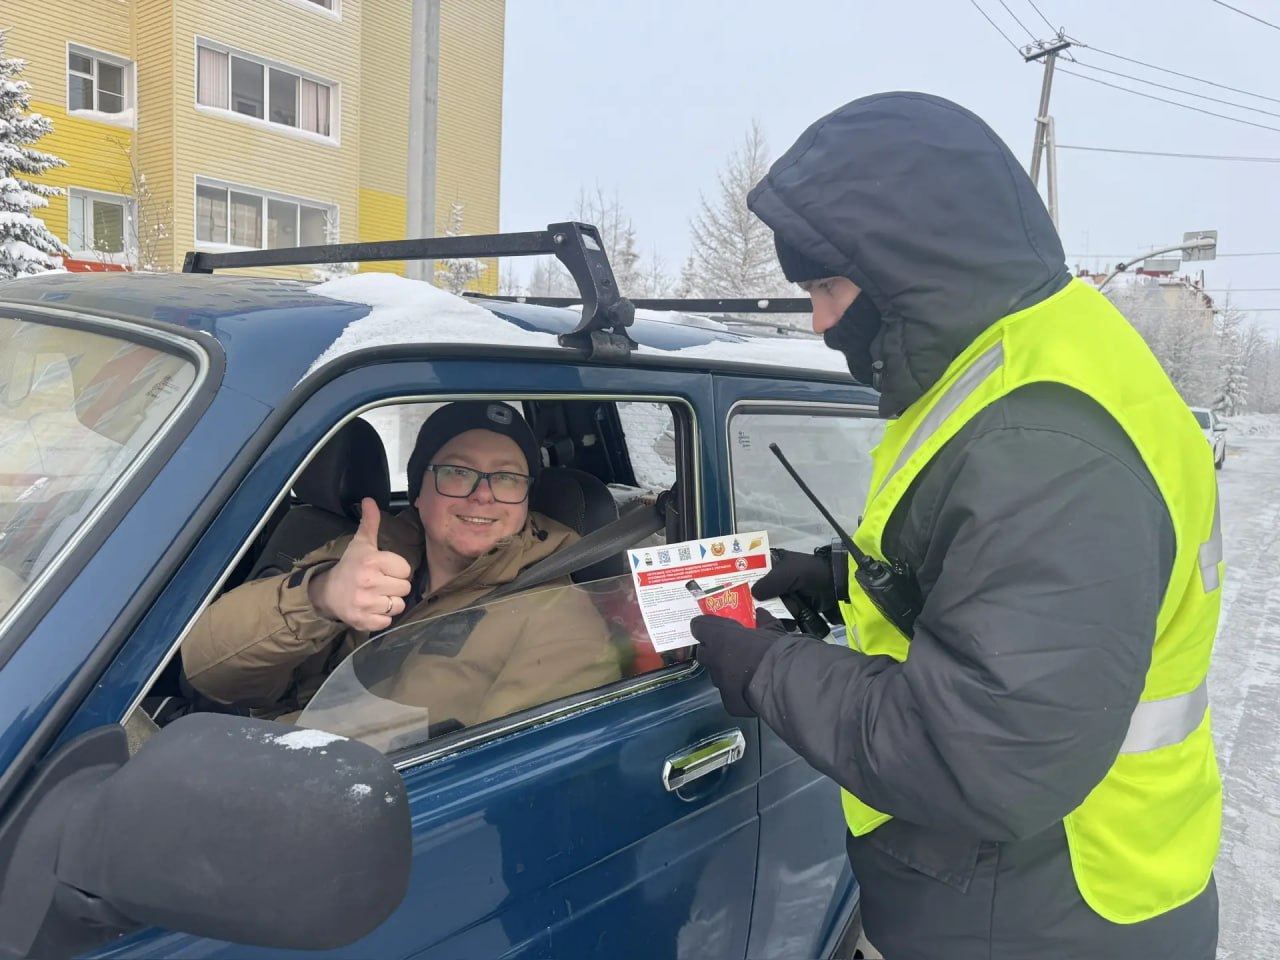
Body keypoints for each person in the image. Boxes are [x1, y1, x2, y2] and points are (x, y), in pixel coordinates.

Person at [690, 92, 1223, 960]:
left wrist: (768, 668)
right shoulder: (1029, 368)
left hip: (1054, 913)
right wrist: (836, 577)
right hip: (1051, 895)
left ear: (909, 261)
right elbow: (996, 584)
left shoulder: (1043, 439)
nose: (822, 322)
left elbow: (979, 752)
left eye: (827, 285)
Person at [182, 401, 621, 727]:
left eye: (507, 477)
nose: (482, 494)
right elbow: (207, 669)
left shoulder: (558, 618)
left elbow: (494, 786)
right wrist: (320, 597)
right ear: (417, 489)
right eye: (456, 471)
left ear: (525, 499)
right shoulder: (370, 550)